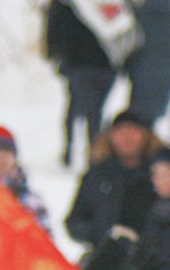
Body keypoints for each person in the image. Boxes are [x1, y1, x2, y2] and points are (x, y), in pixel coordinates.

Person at [66, 111, 170, 254]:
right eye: (121, 132)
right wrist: (104, 233)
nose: (127, 138)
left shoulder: (168, 168)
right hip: (108, 255)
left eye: (133, 132)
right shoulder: (97, 176)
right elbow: (75, 221)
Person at [44, 0, 118, 169]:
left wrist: (54, 54)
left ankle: (76, 153)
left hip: (78, 65)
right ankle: (91, 156)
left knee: (79, 108)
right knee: (94, 112)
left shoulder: (64, 4)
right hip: (106, 66)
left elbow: (54, 27)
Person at [125, 0, 170, 129]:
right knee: (154, 112)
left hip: (141, 70)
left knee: (137, 113)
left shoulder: (138, 16)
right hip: (165, 72)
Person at [0, 126, 51, 232]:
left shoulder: (31, 201)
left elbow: (45, 240)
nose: (0, 161)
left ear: (14, 159)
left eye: (5, 155)